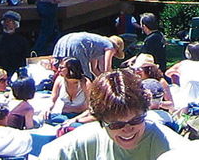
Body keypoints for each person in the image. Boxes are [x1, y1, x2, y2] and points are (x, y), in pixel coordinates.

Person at [43, 68, 182, 160]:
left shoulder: (168, 144)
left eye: (136, 120)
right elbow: (49, 153)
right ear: (101, 121)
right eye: (116, 124)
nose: (127, 129)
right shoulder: (80, 143)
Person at [165, 43, 199, 110]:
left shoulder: (182, 64)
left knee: (173, 84)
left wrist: (179, 74)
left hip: (185, 101)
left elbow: (167, 73)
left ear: (187, 54)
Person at [51, 33, 115, 80]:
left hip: (63, 40)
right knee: (85, 77)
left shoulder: (97, 43)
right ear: (116, 50)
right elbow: (107, 69)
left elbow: (93, 69)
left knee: (61, 69)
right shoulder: (110, 46)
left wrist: (101, 81)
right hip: (76, 44)